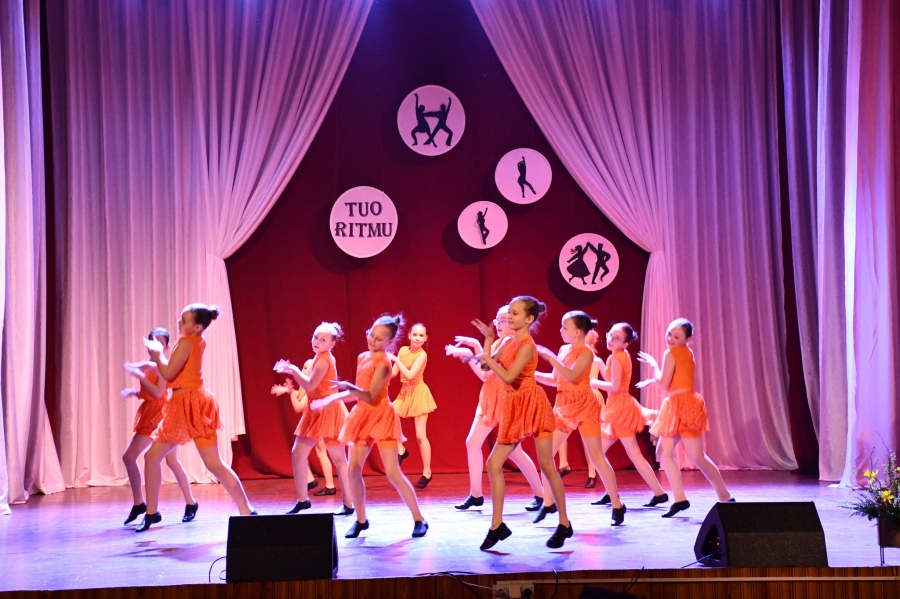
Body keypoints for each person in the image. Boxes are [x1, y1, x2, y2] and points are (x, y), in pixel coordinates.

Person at [137, 304, 255, 532]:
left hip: (189, 403)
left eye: (184, 320)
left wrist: (157, 353)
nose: (178, 322)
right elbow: (174, 370)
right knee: (155, 458)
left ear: (197, 327)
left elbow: (168, 373)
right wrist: (155, 362)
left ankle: (247, 510)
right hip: (188, 402)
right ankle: (246, 509)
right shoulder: (193, 340)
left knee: (208, 463)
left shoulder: (186, 343)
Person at [313, 314, 427, 539]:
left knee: (392, 472)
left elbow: (370, 395)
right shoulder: (362, 357)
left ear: (389, 342)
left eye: (379, 339)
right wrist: (331, 398)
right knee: (353, 469)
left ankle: (419, 519)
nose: (372, 341)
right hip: (362, 416)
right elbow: (358, 393)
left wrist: (345, 388)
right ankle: (361, 519)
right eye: (371, 335)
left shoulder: (384, 363)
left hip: (381, 415)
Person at [472, 296, 572, 550]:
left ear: (529, 319)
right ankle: (497, 525)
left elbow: (507, 377)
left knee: (547, 465)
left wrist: (490, 357)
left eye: (515, 314)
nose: (510, 317)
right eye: (509, 313)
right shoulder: (508, 341)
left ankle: (564, 523)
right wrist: (487, 339)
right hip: (514, 405)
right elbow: (485, 366)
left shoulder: (527, 346)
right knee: (493, 463)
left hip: (532, 403)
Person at [446, 305, 544, 512]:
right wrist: (475, 346)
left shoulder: (515, 344)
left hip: (507, 400)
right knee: (472, 442)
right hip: (490, 398)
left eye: (503, 320)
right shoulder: (500, 342)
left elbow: (488, 373)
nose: (498, 324)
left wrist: (471, 351)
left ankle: (540, 494)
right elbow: (484, 371)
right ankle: (475, 494)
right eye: (497, 320)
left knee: (515, 452)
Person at [533, 312, 626, 526]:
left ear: (577, 332)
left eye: (564, 328)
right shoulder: (563, 350)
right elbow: (557, 379)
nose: (561, 331)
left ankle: (617, 504)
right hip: (565, 405)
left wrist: (549, 357)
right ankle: (548, 502)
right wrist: (534, 375)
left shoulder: (586, 353)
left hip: (585, 404)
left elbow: (571, 375)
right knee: (546, 455)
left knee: (597, 457)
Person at [637, 318, 734, 517]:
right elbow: (676, 379)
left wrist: (654, 365)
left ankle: (698, 498)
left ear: (687, 339)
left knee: (681, 455)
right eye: (669, 334)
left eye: (676, 337)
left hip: (680, 405)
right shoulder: (687, 352)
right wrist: (652, 380)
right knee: (669, 452)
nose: (670, 339)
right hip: (685, 403)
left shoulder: (670, 353)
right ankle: (712, 497)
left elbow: (664, 384)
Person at [273, 322, 353, 516]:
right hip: (318, 409)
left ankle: (345, 503)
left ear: (332, 344)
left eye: (323, 339)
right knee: (304, 454)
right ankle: (307, 500)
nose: (317, 341)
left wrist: (293, 369)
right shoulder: (319, 358)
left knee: (334, 458)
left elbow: (309, 385)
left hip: (327, 410)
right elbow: (309, 384)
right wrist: (292, 372)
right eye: (316, 337)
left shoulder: (324, 360)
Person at [120, 328, 196, 526]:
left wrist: (139, 374)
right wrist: (136, 392)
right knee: (172, 461)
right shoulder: (152, 364)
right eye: (152, 341)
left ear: (167, 346)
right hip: (153, 412)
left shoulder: (164, 366)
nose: (154, 345)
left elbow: (158, 393)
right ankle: (190, 502)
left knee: (131, 457)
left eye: (159, 342)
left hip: (159, 416)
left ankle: (143, 505)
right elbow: (148, 386)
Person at [590, 323, 667, 513]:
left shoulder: (617, 357)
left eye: (617, 338)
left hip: (620, 409)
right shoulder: (619, 356)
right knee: (598, 452)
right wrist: (598, 364)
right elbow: (612, 380)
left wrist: (592, 382)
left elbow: (615, 387)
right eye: (610, 335)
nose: (611, 339)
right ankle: (611, 492)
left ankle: (659, 493)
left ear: (625, 343)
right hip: (618, 407)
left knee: (631, 454)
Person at [391, 323, 437, 489]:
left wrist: (396, 359)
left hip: (418, 392)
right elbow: (394, 373)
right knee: (388, 414)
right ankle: (401, 449)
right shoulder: (403, 350)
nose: (418, 338)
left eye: (421, 336)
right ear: (409, 335)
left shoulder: (422, 355)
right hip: (405, 393)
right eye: (415, 335)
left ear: (425, 339)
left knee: (420, 435)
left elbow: (410, 375)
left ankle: (427, 472)